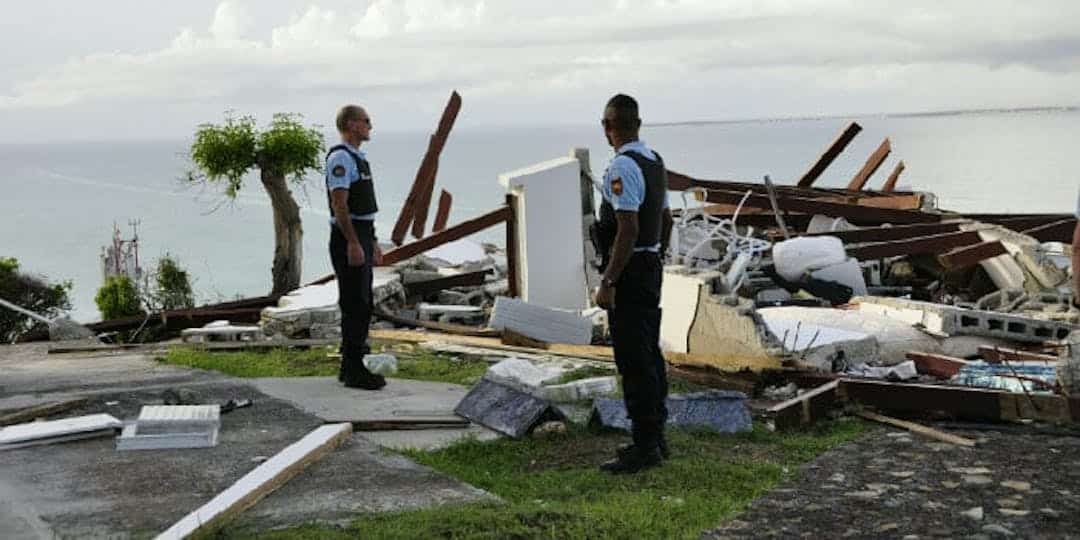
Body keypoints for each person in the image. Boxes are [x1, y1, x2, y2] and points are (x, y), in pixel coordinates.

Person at [593, 94, 675, 474]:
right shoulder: (655, 161)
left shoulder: (622, 167)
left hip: (631, 269)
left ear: (609, 126)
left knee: (633, 358)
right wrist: (657, 254)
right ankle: (656, 435)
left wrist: (609, 279)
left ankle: (644, 446)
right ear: (638, 124)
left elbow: (627, 228)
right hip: (651, 263)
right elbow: (667, 218)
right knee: (650, 352)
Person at [326, 104, 386, 390]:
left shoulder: (358, 158)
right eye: (366, 121)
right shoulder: (341, 158)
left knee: (363, 302)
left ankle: (352, 363)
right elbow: (340, 204)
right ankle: (353, 369)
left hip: (361, 233)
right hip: (347, 235)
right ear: (351, 124)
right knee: (354, 303)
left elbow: (364, 209)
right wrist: (352, 242)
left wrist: (371, 241)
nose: (370, 126)